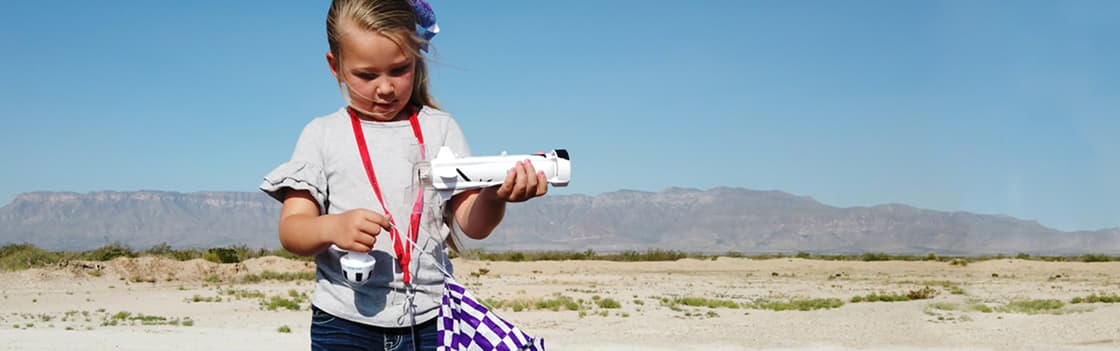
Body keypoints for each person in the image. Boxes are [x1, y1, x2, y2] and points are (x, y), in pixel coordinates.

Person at [259, 0, 549, 350]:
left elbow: (474, 225)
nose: (385, 88)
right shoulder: (321, 135)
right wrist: (333, 227)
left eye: (399, 70)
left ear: (417, 58)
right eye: (366, 75)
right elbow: (292, 230)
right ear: (334, 66)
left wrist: (495, 195)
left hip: (431, 321)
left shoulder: (440, 129)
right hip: (343, 325)